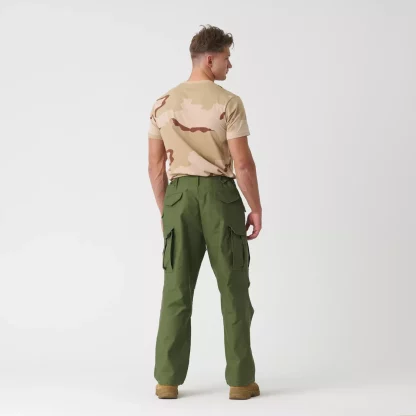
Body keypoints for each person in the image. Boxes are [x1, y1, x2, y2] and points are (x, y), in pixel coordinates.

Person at [147, 24, 262, 400]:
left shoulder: (163, 103)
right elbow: (242, 164)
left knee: (176, 289)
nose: (230, 64)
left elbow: (155, 166)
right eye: (227, 57)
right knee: (233, 288)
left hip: (178, 198)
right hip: (220, 199)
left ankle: (167, 381)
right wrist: (256, 207)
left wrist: (167, 211)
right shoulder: (229, 102)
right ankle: (241, 382)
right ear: (209, 59)